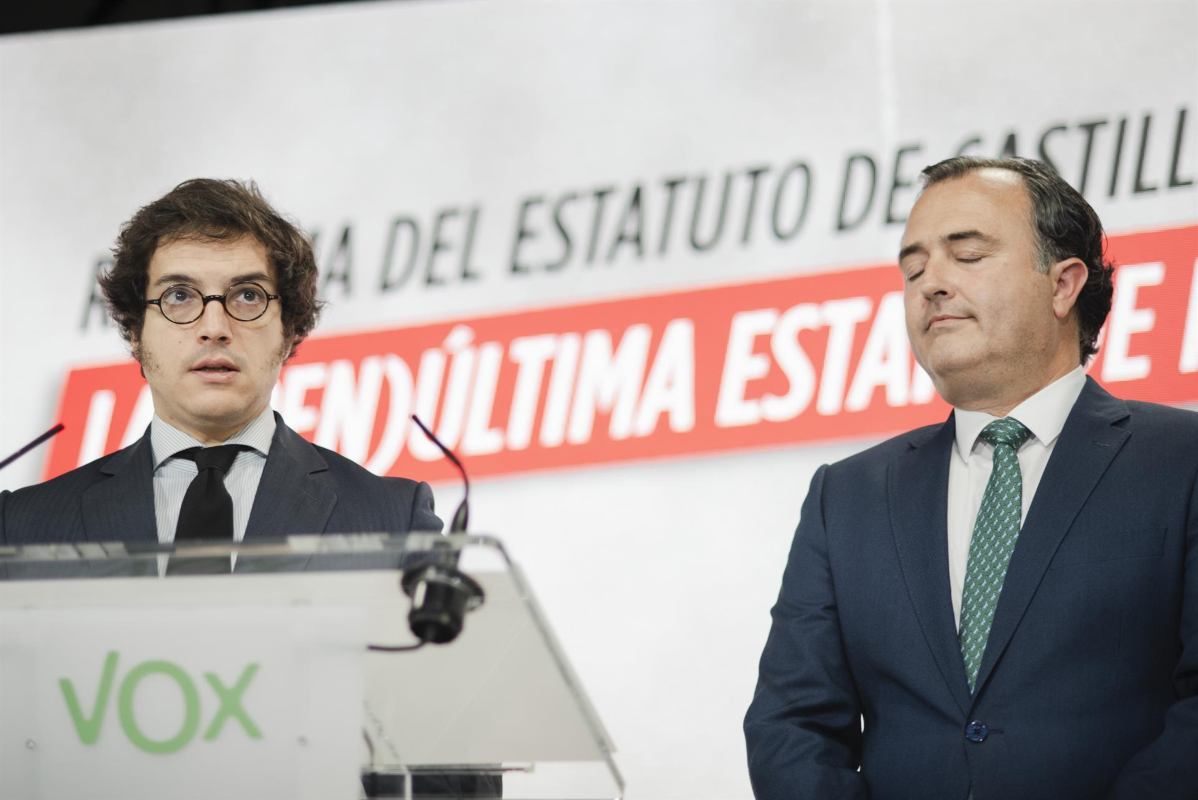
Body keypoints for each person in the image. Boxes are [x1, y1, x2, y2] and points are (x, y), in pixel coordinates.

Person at [744, 156, 1198, 799]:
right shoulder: (845, 496)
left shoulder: (1182, 462)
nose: (931, 283)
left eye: (968, 255)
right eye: (913, 267)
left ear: (1064, 284)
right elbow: (793, 724)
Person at [0, 178, 442, 545]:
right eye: (179, 296)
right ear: (135, 331)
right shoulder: (23, 527)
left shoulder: (391, 520)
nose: (214, 326)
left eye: (247, 296)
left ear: (290, 330)